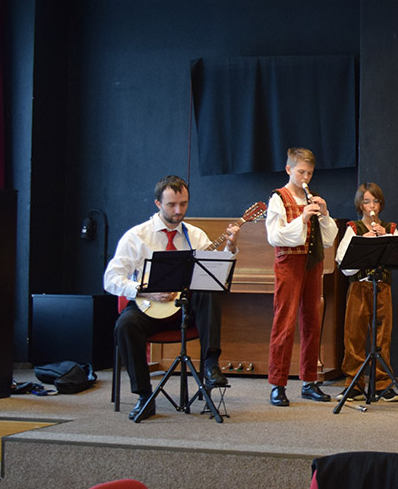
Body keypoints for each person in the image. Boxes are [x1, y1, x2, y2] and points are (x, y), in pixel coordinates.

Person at [104, 175, 238, 421]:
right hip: (150, 308)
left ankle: (211, 365)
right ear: (158, 203)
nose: (179, 211)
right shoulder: (137, 236)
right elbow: (110, 279)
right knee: (125, 325)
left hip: (184, 311)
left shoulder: (195, 235)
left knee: (208, 291)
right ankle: (144, 396)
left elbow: (213, 273)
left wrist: (229, 248)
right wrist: (144, 290)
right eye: (171, 205)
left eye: (183, 204)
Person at [265, 148, 339, 407]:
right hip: (289, 263)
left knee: (312, 322)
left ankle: (309, 381)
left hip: (313, 262)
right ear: (289, 169)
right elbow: (275, 236)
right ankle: (278, 384)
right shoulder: (278, 197)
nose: (305, 177)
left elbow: (327, 240)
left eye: (309, 173)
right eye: (301, 172)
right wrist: (303, 219)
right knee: (284, 323)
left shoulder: (313, 197)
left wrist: (324, 214)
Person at [336, 182, 398, 402]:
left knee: (383, 336)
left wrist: (386, 238)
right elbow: (343, 263)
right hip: (359, 287)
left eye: (375, 201)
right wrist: (364, 242)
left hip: (382, 287)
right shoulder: (353, 228)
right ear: (360, 205)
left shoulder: (390, 228)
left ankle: (382, 383)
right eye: (366, 202)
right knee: (354, 335)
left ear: (380, 204)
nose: (372, 206)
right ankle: (353, 383)